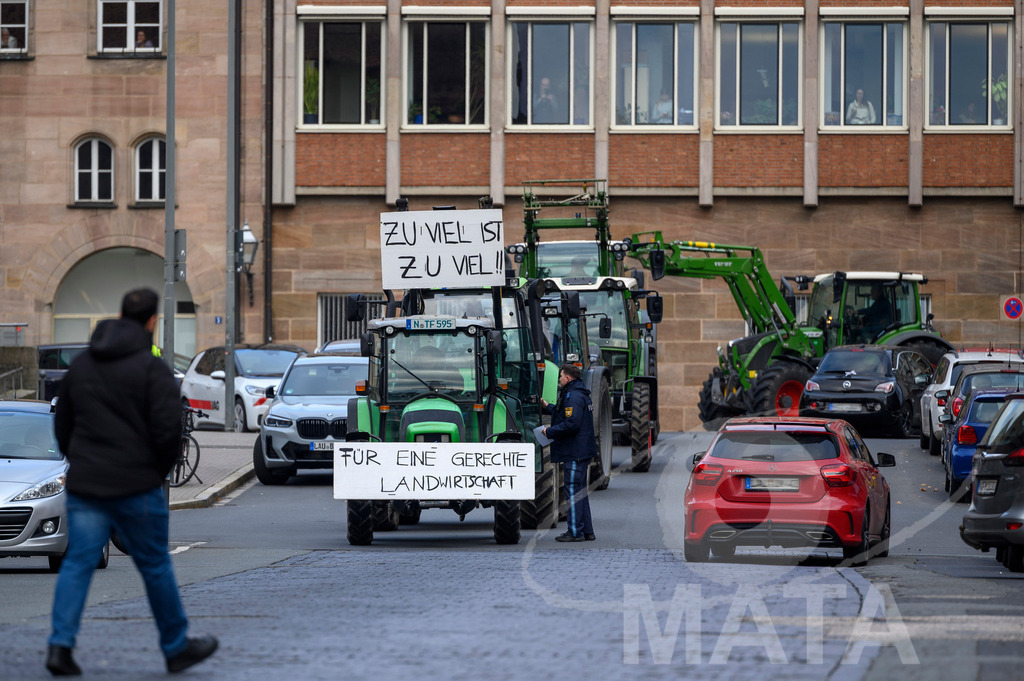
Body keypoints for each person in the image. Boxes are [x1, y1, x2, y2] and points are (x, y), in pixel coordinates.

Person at [47, 288, 217, 676]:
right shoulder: (151, 367)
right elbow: (168, 430)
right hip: (136, 484)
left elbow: (62, 424)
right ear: (152, 322)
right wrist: (154, 473)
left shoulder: (84, 365)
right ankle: (176, 648)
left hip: (87, 482)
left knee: (78, 563)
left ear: (120, 315)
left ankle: (60, 646)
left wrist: (82, 460)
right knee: (155, 565)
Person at [541, 363, 596, 542]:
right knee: (580, 492)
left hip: (575, 451)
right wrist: (547, 406)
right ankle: (587, 531)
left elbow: (572, 423)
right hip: (582, 450)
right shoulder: (578, 393)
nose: (559, 379)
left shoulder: (573, 396)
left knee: (572, 491)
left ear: (568, 378)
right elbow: (563, 413)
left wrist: (549, 431)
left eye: (560, 376)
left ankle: (574, 532)